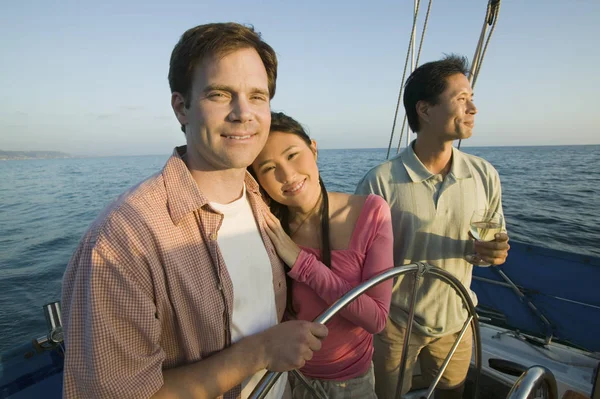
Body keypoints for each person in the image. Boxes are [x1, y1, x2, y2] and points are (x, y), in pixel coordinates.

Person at [61, 23, 328, 399]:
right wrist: (261, 352)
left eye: (258, 96)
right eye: (220, 94)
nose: (243, 113)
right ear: (181, 107)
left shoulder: (260, 200)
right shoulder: (122, 242)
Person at [355, 55, 510, 399]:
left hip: (457, 321)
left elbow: (492, 245)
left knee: (453, 393)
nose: (473, 108)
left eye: (471, 98)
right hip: (395, 325)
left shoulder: (484, 174)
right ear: (424, 110)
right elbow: (358, 262)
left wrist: (494, 253)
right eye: (461, 99)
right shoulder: (380, 183)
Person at [249, 111, 394, 399]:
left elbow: (377, 318)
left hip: (349, 383)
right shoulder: (266, 225)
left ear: (313, 149)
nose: (287, 175)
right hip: (284, 377)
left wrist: (301, 262)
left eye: (292, 155)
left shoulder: (371, 212)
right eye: (268, 168)